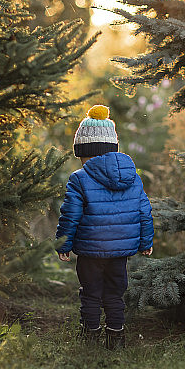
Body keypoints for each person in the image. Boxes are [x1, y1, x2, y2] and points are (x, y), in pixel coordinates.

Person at [55, 104, 154, 350]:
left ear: (85, 152)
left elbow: (70, 215)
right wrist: (146, 242)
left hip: (90, 251)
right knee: (114, 293)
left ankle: (90, 338)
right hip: (120, 251)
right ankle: (116, 338)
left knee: (90, 293)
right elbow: (144, 211)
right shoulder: (133, 176)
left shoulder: (79, 178)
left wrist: (63, 244)